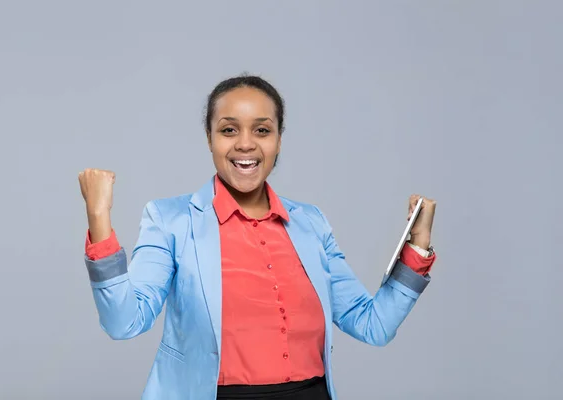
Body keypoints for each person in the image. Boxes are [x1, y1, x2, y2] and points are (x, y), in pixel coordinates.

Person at [78, 75, 437, 400]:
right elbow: (124, 322)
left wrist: (417, 247)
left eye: (262, 130)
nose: (245, 145)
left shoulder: (311, 223)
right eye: (229, 130)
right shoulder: (170, 220)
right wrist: (99, 218)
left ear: (279, 139)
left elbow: (372, 325)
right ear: (210, 139)